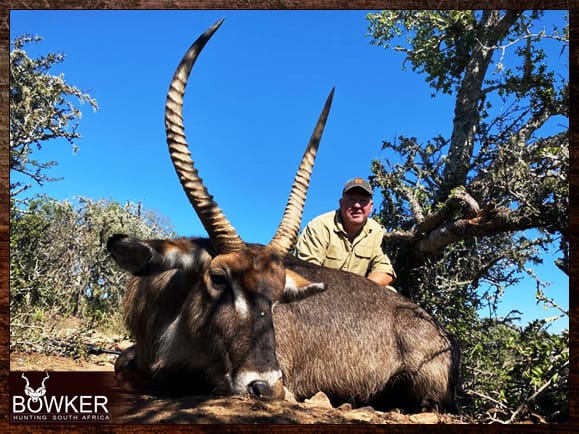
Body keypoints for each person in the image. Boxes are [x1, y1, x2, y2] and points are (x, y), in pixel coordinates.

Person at [294, 177, 397, 289]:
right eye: (351, 200)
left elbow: (385, 271)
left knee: (389, 290)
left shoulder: (376, 231)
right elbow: (306, 272)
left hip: (358, 293)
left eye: (363, 201)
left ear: (371, 207)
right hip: (322, 290)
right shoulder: (319, 226)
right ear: (341, 203)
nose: (357, 206)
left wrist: (360, 289)